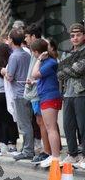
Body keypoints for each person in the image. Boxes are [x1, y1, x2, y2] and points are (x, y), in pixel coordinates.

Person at [2, 27, 34, 161]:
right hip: (28, 91)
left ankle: (28, 150)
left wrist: (4, 71)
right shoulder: (27, 54)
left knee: (24, 124)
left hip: (19, 93)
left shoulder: (14, 56)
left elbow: (10, 77)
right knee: (28, 123)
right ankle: (27, 148)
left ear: (11, 40)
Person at [31, 39, 62, 168]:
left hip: (50, 97)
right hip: (46, 96)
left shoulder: (49, 62)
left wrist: (38, 60)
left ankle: (56, 157)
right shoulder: (47, 62)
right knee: (50, 128)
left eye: (33, 52)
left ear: (36, 52)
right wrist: (34, 82)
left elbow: (34, 74)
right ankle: (54, 156)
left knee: (51, 128)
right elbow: (42, 78)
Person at [57, 23, 85, 168]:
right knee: (68, 127)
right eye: (72, 35)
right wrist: (69, 69)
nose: (75, 38)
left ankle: (84, 156)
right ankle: (73, 154)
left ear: (84, 35)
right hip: (67, 95)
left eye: (78, 35)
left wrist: (67, 69)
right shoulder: (66, 53)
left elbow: (79, 70)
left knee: (83, 126)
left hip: (81, 94)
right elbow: (59, 73)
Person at [24, 25, 52, 164]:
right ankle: (47, 150)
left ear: (33, 36)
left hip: (39, 93)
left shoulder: (42, 52)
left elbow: (37, 73)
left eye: (27, 36)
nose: (25, 39)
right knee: (41, 122)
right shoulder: (35, 51)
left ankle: (47, 151)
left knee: (43, 122)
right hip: (36, 90)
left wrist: (33, 81)